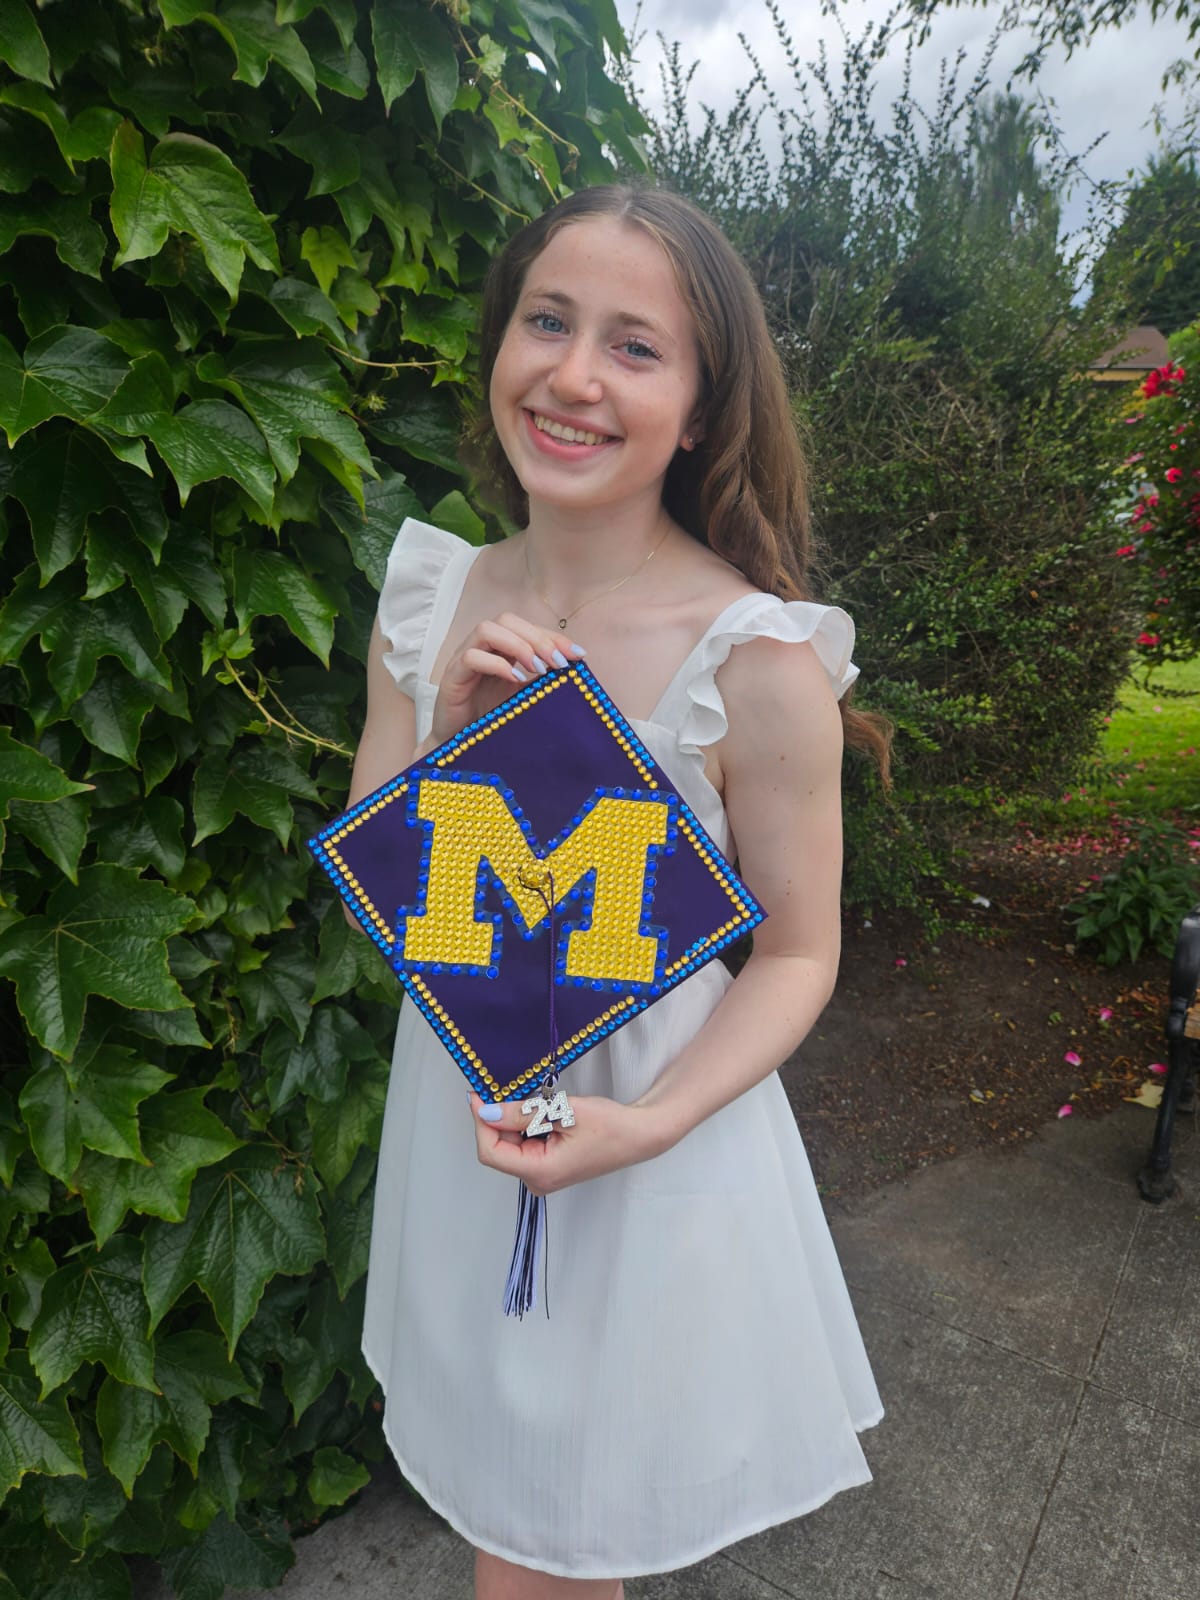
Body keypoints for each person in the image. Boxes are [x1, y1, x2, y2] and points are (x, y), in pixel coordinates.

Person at [347, 185, 890, 1600]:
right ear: (501, 343)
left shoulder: (755, 658)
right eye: (548, 320)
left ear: (704, 407)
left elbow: (797, 954)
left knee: (555, 1544)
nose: (576, 376)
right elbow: (379, 869)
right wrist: (454, 743)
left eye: (636, 347)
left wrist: (645, 1121)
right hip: (469, 1124)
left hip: (644, 1156)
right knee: (510, 1504)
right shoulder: (430, 598)